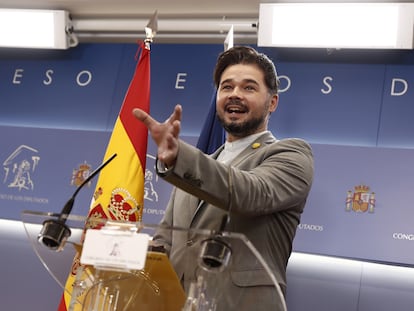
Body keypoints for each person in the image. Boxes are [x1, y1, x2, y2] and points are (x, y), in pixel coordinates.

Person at [133, 46, 314, 311]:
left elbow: (249, 193)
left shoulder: (292, 155)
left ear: (272, 102)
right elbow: (167, 240)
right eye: (226, 87)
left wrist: (179, 158)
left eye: (249, 88)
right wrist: (120, 253)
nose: (235, 95)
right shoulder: (194, 169)